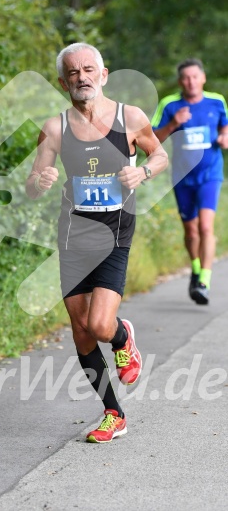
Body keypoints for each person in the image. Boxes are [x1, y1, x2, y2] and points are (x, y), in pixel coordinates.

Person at [26, 43, 168, 443]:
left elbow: (159, 157)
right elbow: (33, 185)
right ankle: (113, 413)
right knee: (81, 330)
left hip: (115, 233)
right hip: (73, 234)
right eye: (73, 72)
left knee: (100, 325)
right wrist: (41, 180)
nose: (81, 77)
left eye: (89, 69)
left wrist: (143, 174)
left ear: (103, 74)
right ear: (62, 81)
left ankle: (123, 336)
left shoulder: (130, 118)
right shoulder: (54, 127)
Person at [152, 59, 228, 305]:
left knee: (206, 227)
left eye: (195, 77)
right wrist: (174, 123)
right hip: (183, 176)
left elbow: (225, 128)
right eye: (185, 78)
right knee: (191, 230)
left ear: (203, 78)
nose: (191, 81)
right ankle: (195, 268)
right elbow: (152, 139)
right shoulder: (170, 104)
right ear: (179, 81)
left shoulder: (216, 101)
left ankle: (204, 281)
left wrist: (225, 137)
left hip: (210, 174)